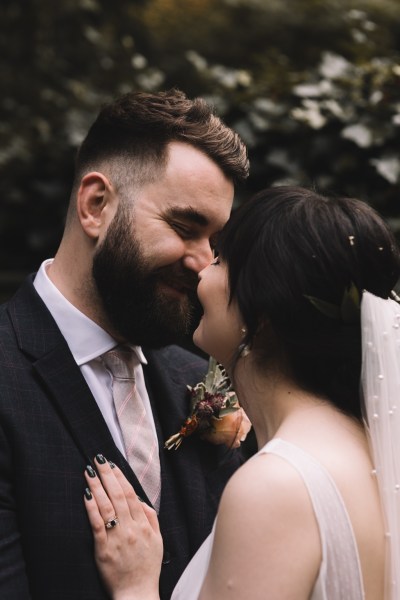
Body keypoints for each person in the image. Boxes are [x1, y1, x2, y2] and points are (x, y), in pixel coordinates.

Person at [84, 185, 400, 600]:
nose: (201, 272)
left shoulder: (276, 486)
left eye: (220, 259)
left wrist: (135, 587)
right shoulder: (372, 453)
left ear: (262, 317)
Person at [0, 89, 249, 600]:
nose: (205, 265)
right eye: (184, 226)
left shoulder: (195, 378)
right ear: (96, 205)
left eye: (215, 243)